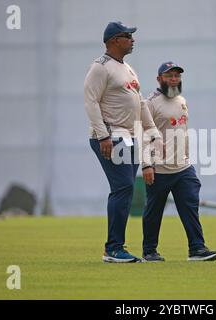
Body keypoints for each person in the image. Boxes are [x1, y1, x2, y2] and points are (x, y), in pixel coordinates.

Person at [84, 21, 160, 263]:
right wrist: (103, 135)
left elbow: (140, 102)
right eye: (128, 36)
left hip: (129, 136)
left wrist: (152, 131)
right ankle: (114, 248)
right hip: (111, 135)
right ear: (115, 40)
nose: (133, 40)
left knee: (125, 190)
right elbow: (91, 101)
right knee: (123, 188)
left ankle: (116, 247)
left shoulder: (127, 68)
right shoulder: (100, 67)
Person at [142, 62, 216, 262]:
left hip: (183, 167)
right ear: (159, 79)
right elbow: (142, 134)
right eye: (169, 76)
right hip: (159, 168)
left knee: (190, 206)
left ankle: (197, 249)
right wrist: (146, 165)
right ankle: (149, 251)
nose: (174, 79)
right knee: (154, 211)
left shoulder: (181, 100)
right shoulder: (149, 103)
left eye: (177, 76)